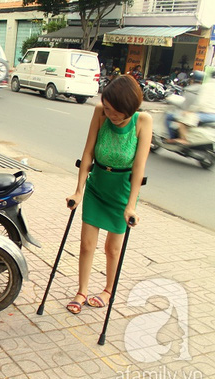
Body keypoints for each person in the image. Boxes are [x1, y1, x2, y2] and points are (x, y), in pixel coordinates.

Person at [66, 74, 152, 314]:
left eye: (116, 112)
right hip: (97, 185)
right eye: (108, 109)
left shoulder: (143, 121)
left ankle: (108, 290)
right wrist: (79, 191)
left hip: (121, 191)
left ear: (129, 109)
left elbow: (138, 169)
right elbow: (87, 154)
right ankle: (81, 291)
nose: (111, 116)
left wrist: (131, 205)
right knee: (86, 244)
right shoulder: (100, 112)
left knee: (112, 249)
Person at [165, 70, 215, 144]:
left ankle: (183, 139)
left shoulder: (204, 87)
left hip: (205, 114)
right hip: (211, 115)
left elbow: (200, 103)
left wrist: (190, 111)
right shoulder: (201, 87)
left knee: (180, 118)